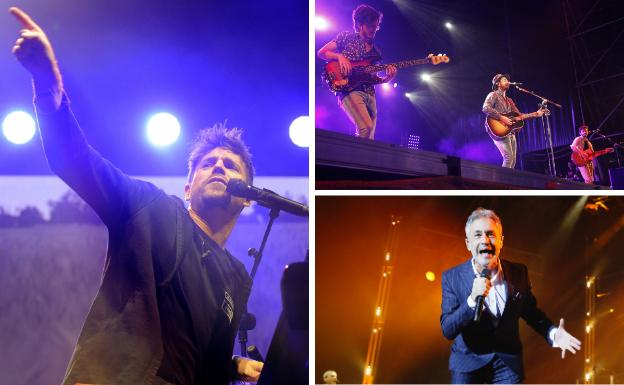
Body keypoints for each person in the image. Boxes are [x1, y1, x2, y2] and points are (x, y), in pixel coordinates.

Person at [9, 7, 264, 385]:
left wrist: (234, 366)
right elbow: (76, 161)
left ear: (247, 197)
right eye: (208, 163)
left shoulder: (236, 277)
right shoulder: (154, 209)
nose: (219, 168)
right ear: (188, 187)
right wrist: (49, 87)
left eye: (230, 165)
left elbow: (194, 357)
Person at [440, 208, 581, 384]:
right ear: (468, 243)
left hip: (506, 364)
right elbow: (448, 329)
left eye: (491, 234)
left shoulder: (518, 273)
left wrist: (552, 333)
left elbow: (531, 313)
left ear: (501, 241)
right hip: (468, 362)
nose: (485, 240)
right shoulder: (452, 277)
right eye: (478, 235)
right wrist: (471, 300)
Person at [317, 4, 397, 140]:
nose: (374, 29)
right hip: (349, 89)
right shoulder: (346, 37)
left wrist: (387, 79)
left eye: (376, 26)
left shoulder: (376, 52)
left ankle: (357, 161)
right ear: (360, 24)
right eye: (371, 25)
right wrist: (339, 56)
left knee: (369, 138)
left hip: (370, 94)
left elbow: (372, 77)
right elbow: (322, 52)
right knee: (366, 127)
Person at [482, 74, 545, 168]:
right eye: (504, 80)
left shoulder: (509, 100)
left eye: (507, 79)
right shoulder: (493, 94)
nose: (507, 81)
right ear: (498, 84)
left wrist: (536, 113)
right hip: (499, 130)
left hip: (510, 131)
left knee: (513, 160)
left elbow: (520, 116)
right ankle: (502, 182)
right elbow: (485, 108)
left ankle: (508, 181)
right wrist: (501, 117)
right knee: (508, 158)